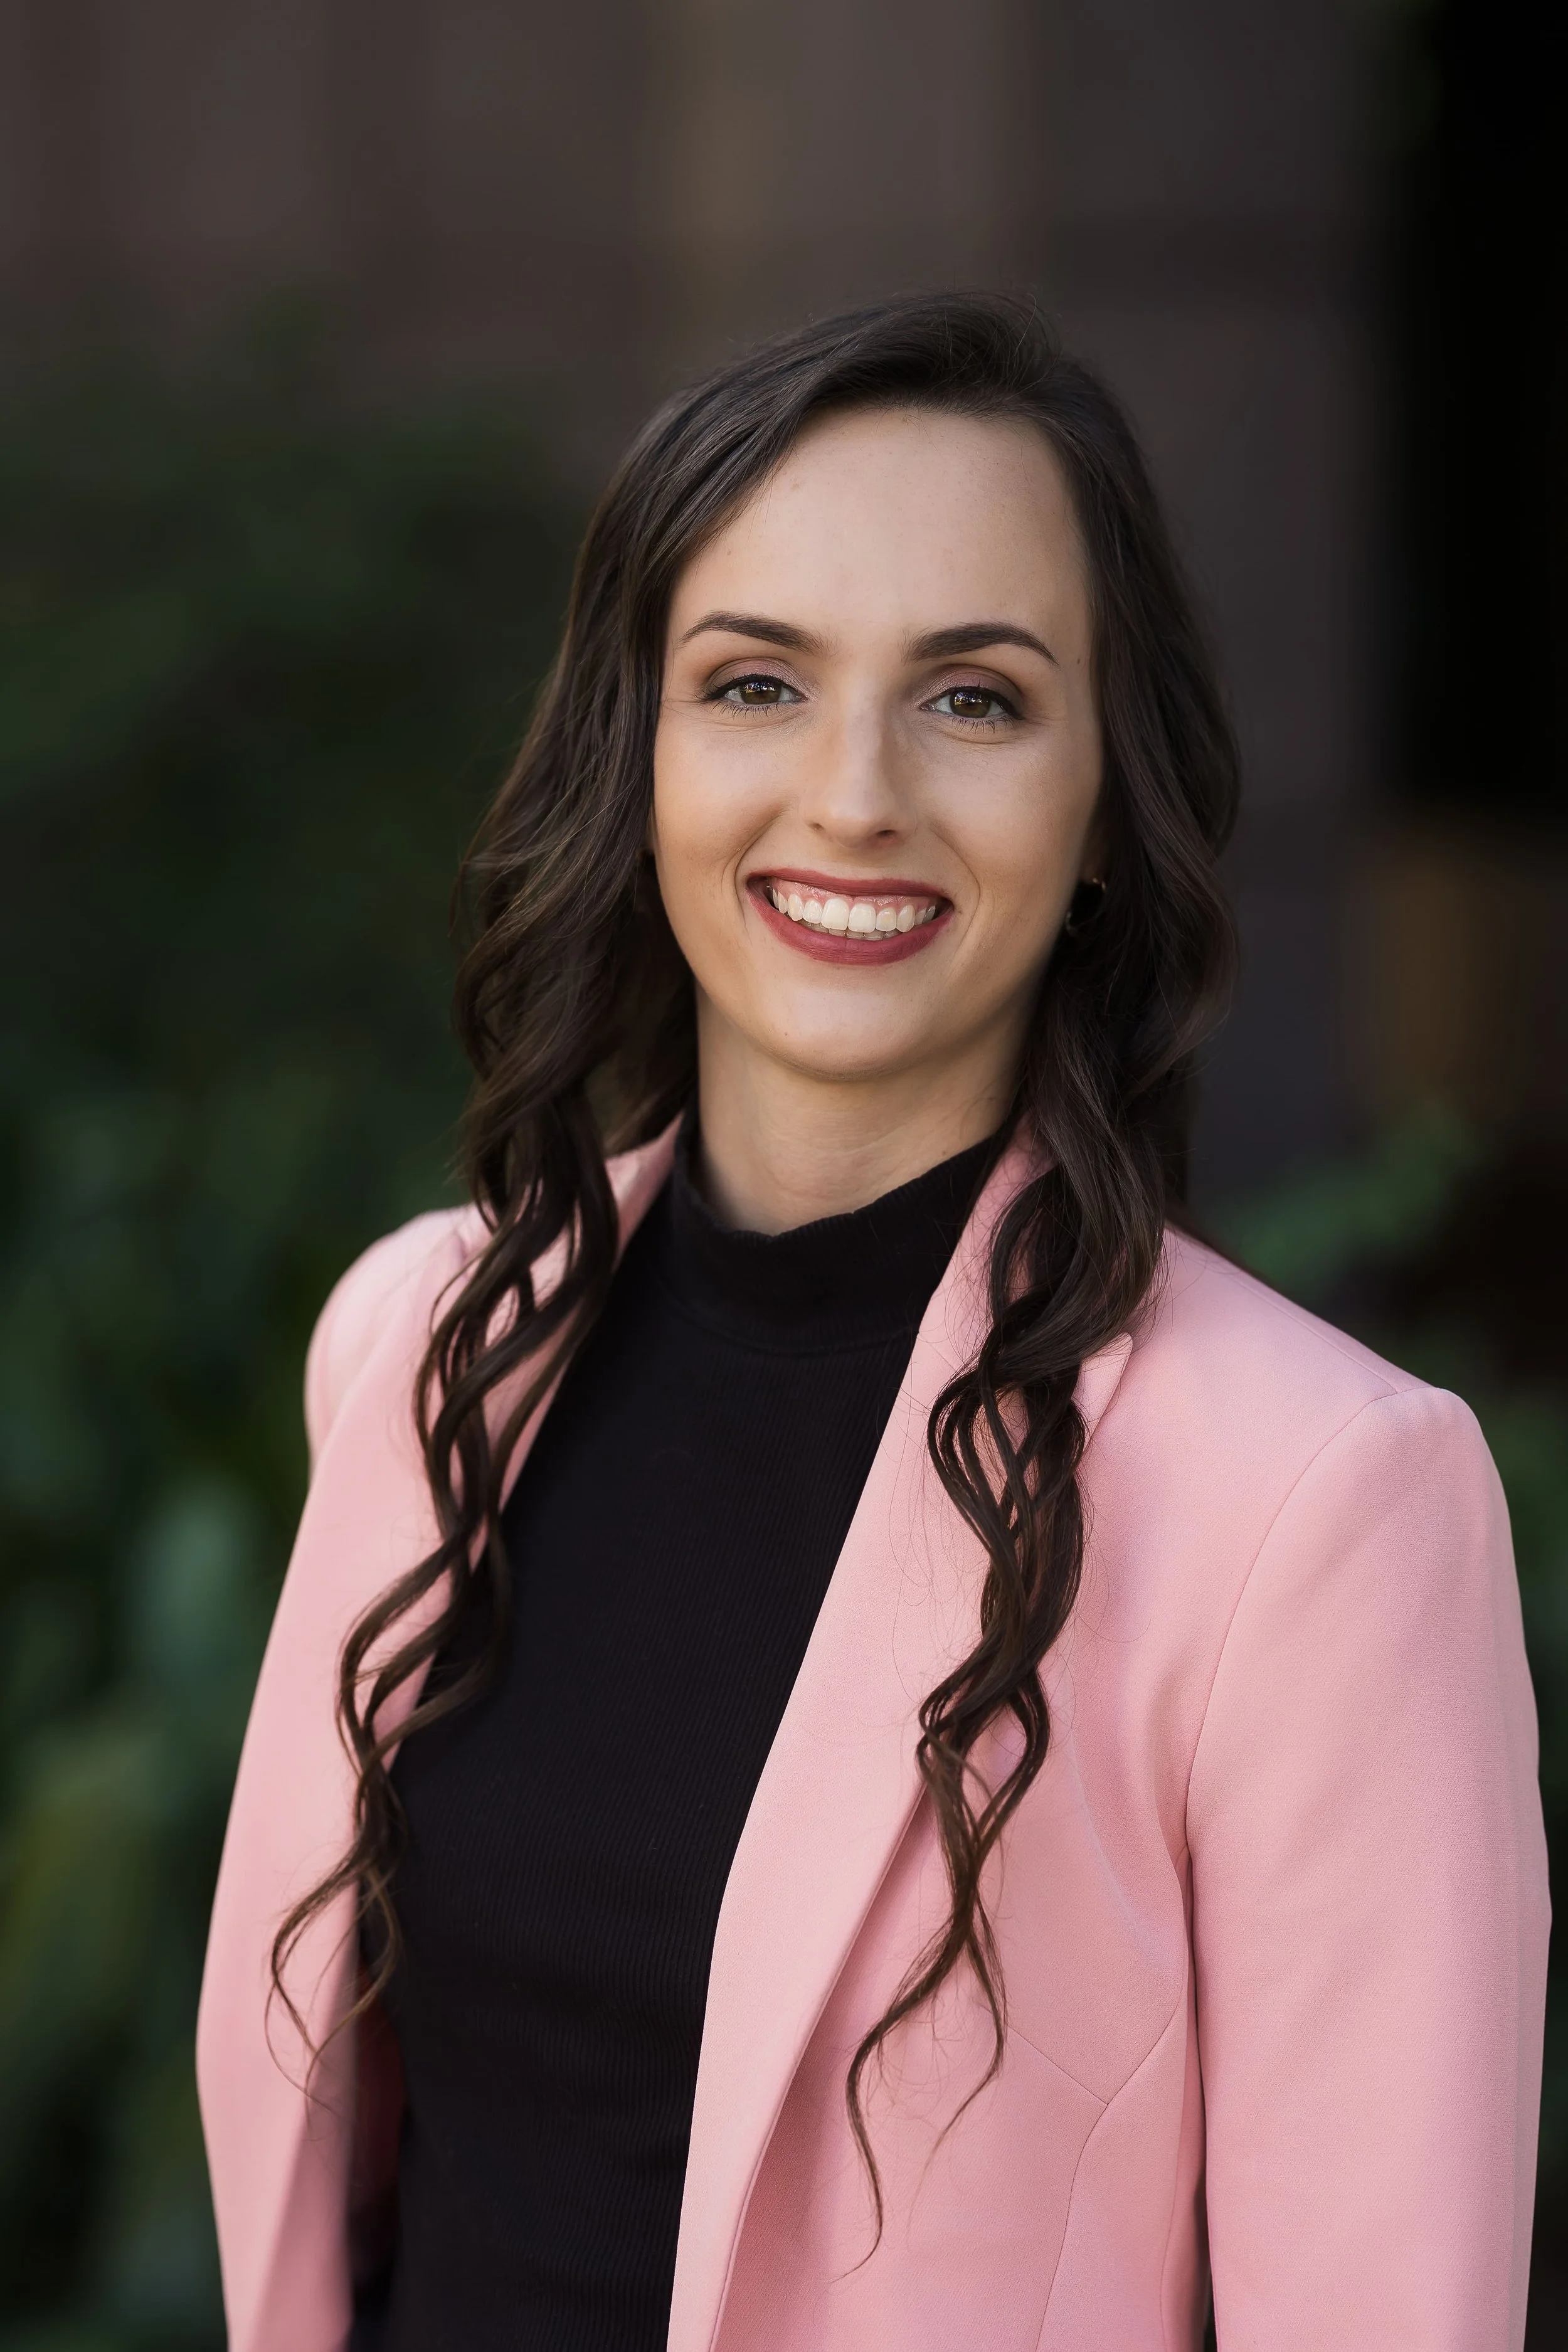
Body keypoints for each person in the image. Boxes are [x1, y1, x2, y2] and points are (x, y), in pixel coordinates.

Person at [196, 294, 1548, 2352]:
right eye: (755, 682)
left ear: (1102, 806)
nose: (851, 795)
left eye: (973, 699)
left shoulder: (1321, 1505)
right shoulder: (419, 1342)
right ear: (642, 752)